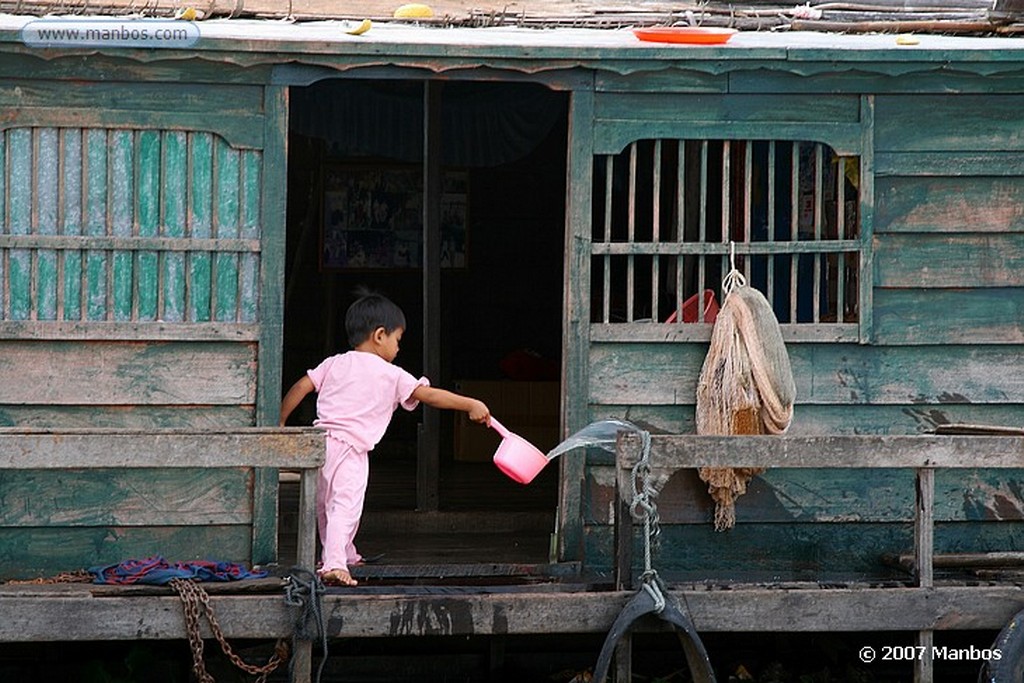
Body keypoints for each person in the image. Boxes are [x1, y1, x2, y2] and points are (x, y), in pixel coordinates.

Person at [279, 290, 491, 587]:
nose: (398, 348)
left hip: (321, 444)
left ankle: (344, 553)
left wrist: (280, 422)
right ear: (380, 335)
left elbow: (302, 385)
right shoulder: (391, 374)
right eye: (398, 340)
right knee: (346, 505)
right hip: (351, 450)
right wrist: (470, 403)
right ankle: (335, 564)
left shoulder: (334, 363)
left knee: (326, 506)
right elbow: (429, 395)